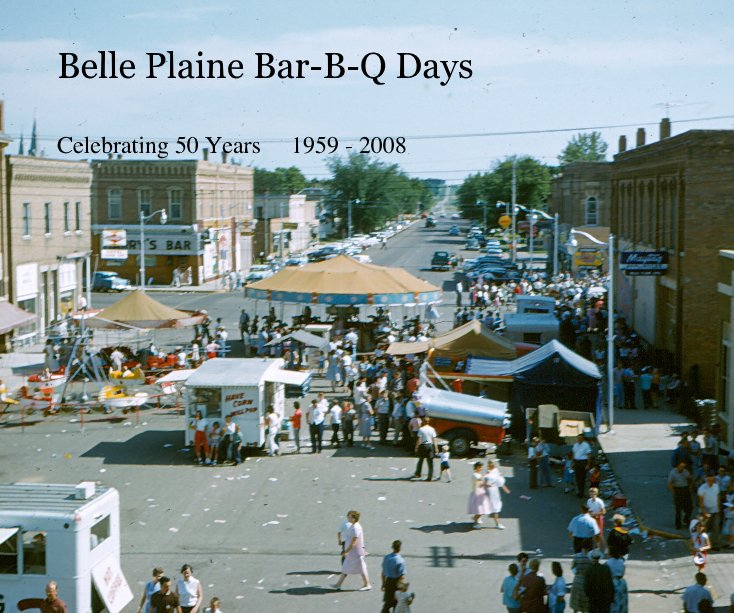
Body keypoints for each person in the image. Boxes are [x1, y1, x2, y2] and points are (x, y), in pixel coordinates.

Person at [333, 510, 371, 591]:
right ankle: (338, 584)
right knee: (349, 567)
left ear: (354, 518)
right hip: (354, 552)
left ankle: (367, 584)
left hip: (355, 552)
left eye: (349, 516)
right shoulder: (354, 525)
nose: (348, 517)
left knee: (358, 567)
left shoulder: (355, 528)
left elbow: (354, 543)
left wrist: (346, 551)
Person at [484, 459, 511, 530]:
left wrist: (505, 488)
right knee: (494, 507)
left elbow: (500, 481)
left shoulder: (493, 471)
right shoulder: (490, 473)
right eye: (493, 464)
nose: (494, 465)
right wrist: (505, 488)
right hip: (491, 491)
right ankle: (497, 523)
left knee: (489, 506)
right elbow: (487, 483)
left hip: (493, 490)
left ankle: (476, 519)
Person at [381, 540, 405, 613]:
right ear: (399, 548)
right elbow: (401, 577)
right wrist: (402, 588)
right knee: (396, 604)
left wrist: (383, 584)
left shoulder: (387, 557)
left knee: (387, 602)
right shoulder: (400, 560)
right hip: (396, 584)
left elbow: (383, 573)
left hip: (388, 582)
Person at [697, 473, 721, 549]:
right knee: (705, 529)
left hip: (715, 510)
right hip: (705, 511)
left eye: (712, 480)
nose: (711, 481)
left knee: (716, 529)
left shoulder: (716, 486)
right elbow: (700, 501)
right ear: (706, 480)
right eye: (709, 480)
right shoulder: (702, 488)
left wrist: (719, 507)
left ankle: (715, 545)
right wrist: (703, 512)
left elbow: (718, 497)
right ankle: (703, 545)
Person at [668, 460, 693, 529]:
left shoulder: (685, 472)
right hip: (678, 489)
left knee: (689, 507)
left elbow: (691, 479)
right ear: (677, 466)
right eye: (681, 467)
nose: (682, 468)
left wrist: (690, 488)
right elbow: (669, 483)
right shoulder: (673, 472)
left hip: (685, 489)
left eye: (683, 467)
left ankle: (686, 519)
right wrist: (674, 493)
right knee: (678, 509)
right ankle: (678, 525)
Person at [413, 416, 438, 481]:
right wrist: (436, 448)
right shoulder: (432, 429)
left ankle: (418, 473)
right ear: (428, 422)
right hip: (430, 445)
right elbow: (434, 439)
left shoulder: (421, 429)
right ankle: (430, 476)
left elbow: (419, 440)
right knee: (430, 462)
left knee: (420, 460)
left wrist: (416, 447)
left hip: (423, 445)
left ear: (423, 422)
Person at [569, 542, 593, 613]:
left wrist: (576, 573)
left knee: (576, 600)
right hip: (587, 581)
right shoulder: (591, 558)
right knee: (585, 601)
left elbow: (572, 567)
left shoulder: (577, 556)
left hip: (577, 580)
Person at [468, 461, 491, 528]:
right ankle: (475, 521)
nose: (481, 468)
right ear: (477, 467)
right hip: (476, 494)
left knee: (480, 509)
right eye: (480, 467)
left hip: (481, 493)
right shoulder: (474, 475)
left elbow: (482, 483)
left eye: (481, 467)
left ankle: (476, 519)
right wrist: (486, 475)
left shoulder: (479, 474)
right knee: (481, 510)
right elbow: (480, 481)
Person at [572, 434, 593, 498]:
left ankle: (581, 493)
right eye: (578, 438)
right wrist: (572, 462)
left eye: (580, 438)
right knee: (577, 477)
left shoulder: (586, 445)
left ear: (583, 439)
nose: (579, 439)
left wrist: (588, 464)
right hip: (576, 462)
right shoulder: (575, 445)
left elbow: (589, 455)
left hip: (583, 462)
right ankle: (579, 491)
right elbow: (573, 453)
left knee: (582, 478)